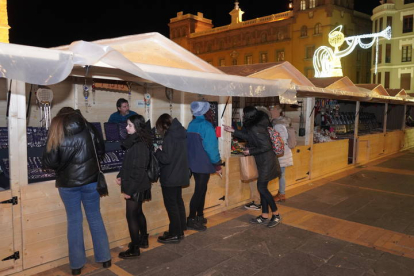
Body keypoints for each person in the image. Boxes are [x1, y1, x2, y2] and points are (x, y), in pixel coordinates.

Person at [42, 107, 111, 276]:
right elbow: (101, 151)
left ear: (61, 117)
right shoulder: (89, 127)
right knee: (95, 217)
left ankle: (76, 265)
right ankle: (105, 258)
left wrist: (63, 168)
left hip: (67, 184)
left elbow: (49, 161)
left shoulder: (56, 129)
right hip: (91, 181)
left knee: (74, 221)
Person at [224, 106, 282, 228]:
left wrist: (250, 151)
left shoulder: (256, 127)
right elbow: (250, 137)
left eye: (243, 114)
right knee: (262, 189)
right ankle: (264, 215)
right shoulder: (258, 125)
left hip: (266, 162)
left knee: (262, 188)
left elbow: (266, 146)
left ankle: (276, 214)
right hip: (263, 161)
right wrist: (233, 130)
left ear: (247, 115)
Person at [116, 114, 152, 258]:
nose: (126, 127)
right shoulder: (137, 140)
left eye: (129, 125)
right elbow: (129, 164)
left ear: (137, 127)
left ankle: (134, 248)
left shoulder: (139, 144)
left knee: (131, 216)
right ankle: (143, 240)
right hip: (139, 184)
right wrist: (121, 175)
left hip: (136, 185)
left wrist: (129, 191)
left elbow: (138, 170)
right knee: (138, 213)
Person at [187, 101, 222, 231]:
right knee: (199, 191)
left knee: (201, 190)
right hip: (203, 163)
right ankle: (191, 219)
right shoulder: (206, 126)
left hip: (193, 163)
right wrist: (217, 163)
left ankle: (200, 216)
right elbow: (211, 148)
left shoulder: (191, 124)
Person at [154, 114, 188, 244]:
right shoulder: (181, 132)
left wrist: (158, 151)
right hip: (180, 174)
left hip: (170, 176)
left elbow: (166, 159)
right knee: (178, 202)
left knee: (171, 205)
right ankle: (179, 230)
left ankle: (174, 234)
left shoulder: (169, 137)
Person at [272, 116, 293, 202]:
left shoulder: (278, 126)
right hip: (285, 152)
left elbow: (279, 141)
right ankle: (281, 193)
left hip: (281, 154)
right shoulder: (284, 126)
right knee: (281, 174)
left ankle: (281, 194)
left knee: (281, 175)